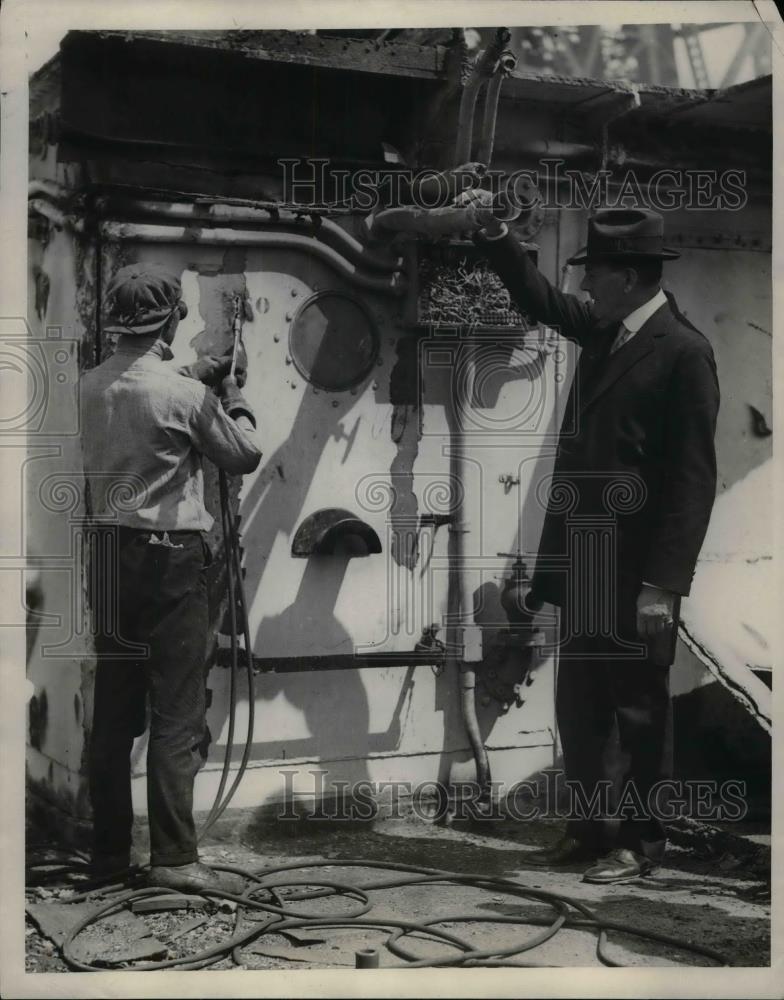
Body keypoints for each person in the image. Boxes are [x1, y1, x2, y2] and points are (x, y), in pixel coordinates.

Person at [472, 204, 720, 883]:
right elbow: (538, 297)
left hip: (637, 573)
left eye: (595, 274)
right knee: (581, 708)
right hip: (581, 564)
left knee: (638, 712)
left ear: (631, 277)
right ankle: (589, 831)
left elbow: (692, 482)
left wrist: (663, 585)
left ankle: (641, 844)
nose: (584, 288)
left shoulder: (685, 353)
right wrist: (494, 237)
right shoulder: (604, 330)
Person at [80, 263, 262, 893]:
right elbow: (242, 455)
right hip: (166, 561)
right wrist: (233, 397)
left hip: (106, 558)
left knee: (113, 715)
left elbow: (142, 395)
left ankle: (106, 859)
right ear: (174, 319)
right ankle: (175, 863)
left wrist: (195, 378)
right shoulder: (186, 397)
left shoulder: (90, 385)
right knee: (176, 715)